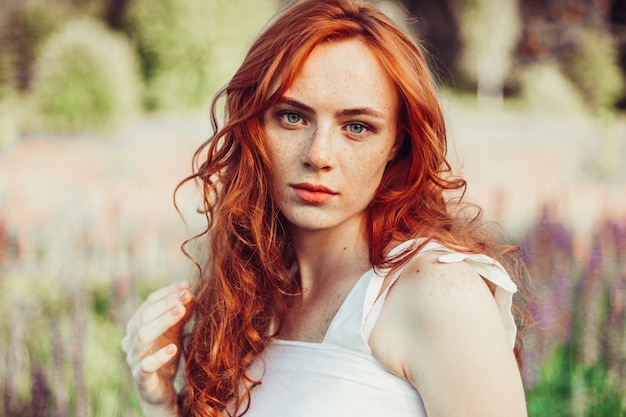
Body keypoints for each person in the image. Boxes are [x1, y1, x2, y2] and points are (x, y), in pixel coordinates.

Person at [121, 0, 529, 416]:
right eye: (293, 117)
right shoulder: (247, 297)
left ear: (397, 143)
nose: (318, 155)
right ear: (254, 124)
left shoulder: (438, 294)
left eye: (357, 127)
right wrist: (162, 405)